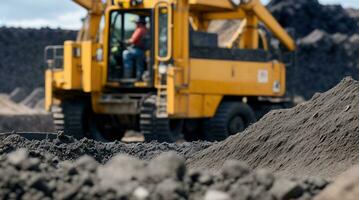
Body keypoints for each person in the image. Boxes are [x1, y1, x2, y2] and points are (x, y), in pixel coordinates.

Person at [123, 16, 148, 80]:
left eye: (136, 23)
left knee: (126, 54)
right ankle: (139, 77)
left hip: (137, 50)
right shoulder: (145, 30)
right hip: (142, 51)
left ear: (139, 23)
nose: (135, 25)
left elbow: (133, 40)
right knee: (140, 66)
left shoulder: (139, 30)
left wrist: (126, 41)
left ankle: (127, 76)